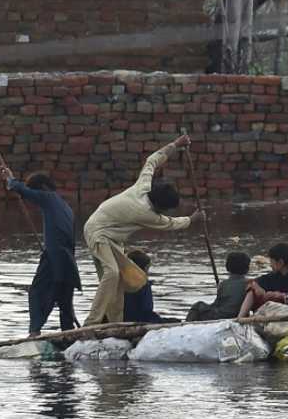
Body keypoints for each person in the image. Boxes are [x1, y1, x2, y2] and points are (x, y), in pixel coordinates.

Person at [82, 135, 203, 325]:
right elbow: (170, 223)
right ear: (161, 206)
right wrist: (192, 219)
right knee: (112, 273)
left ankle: (115, 321)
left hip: (111, 237)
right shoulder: (144, 212)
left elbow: (152, 161)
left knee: (120, 281)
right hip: (97, 232)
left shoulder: (144, 186)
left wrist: (175, 145)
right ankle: (92, 321)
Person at [0, 165, 82, 335]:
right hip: (67, 260)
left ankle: (34, 333)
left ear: (43, 189)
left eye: (36, 193)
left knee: (37, 293)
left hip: (54, 257)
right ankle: (69, 334)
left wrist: (10, 179)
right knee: (64, 301)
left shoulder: (48, 198)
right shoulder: (66, 207)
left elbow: (23, 190)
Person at [237, 243, 288, 318]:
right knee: (252, 291)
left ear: (280, 262)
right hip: (282, 315)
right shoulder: (276, 275)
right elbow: (256, 281)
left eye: (271, 261)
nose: (270, 264)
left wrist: (279, 296)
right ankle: (240, 319)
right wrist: (255, 285)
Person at [186, 252, 251, 322]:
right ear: (247, 269)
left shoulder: (223, 284)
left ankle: (187, 325)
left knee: (198, 305)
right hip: (236, 315)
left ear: (227, 267)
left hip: (220, 316)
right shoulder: (251, 284)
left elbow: (216, 305)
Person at [123, 250, 177, 324]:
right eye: (148, 268)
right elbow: (146, 311)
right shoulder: (143, 284)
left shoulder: (119, 281)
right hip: (139, 321)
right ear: (144, 268)